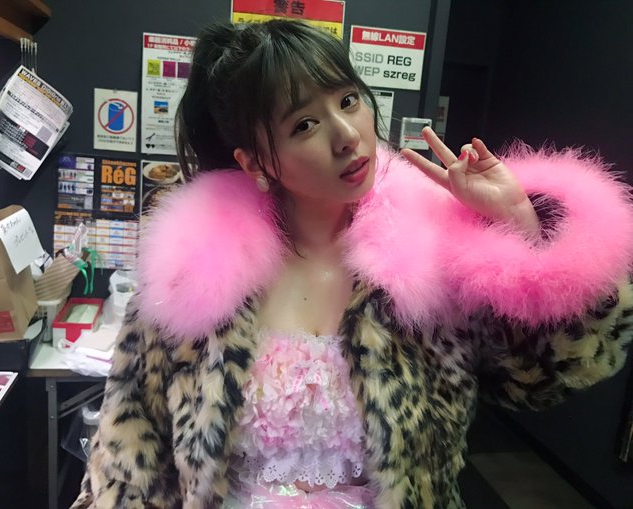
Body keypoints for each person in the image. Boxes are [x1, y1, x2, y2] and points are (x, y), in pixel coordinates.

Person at [71, 20, 633, 509]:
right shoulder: (192, 278)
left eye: (347, 100)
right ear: (256, 161)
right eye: (304, 125)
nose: (346, 136)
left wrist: (518, 223)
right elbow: (128, 460)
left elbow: (548, 377)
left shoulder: (429, 261)